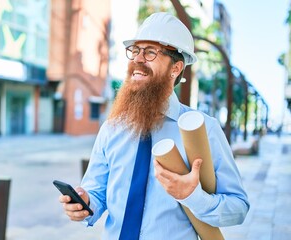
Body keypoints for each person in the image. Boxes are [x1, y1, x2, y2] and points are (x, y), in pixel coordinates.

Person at [58, 12, 249, 240]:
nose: (138, 59)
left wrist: (192, 196)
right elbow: (96, 193)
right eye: (135, 51)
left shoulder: (204, 129)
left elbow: (238, 209)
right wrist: (85, 203)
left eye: (150, 52)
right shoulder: (112, 128)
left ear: (176, 68)